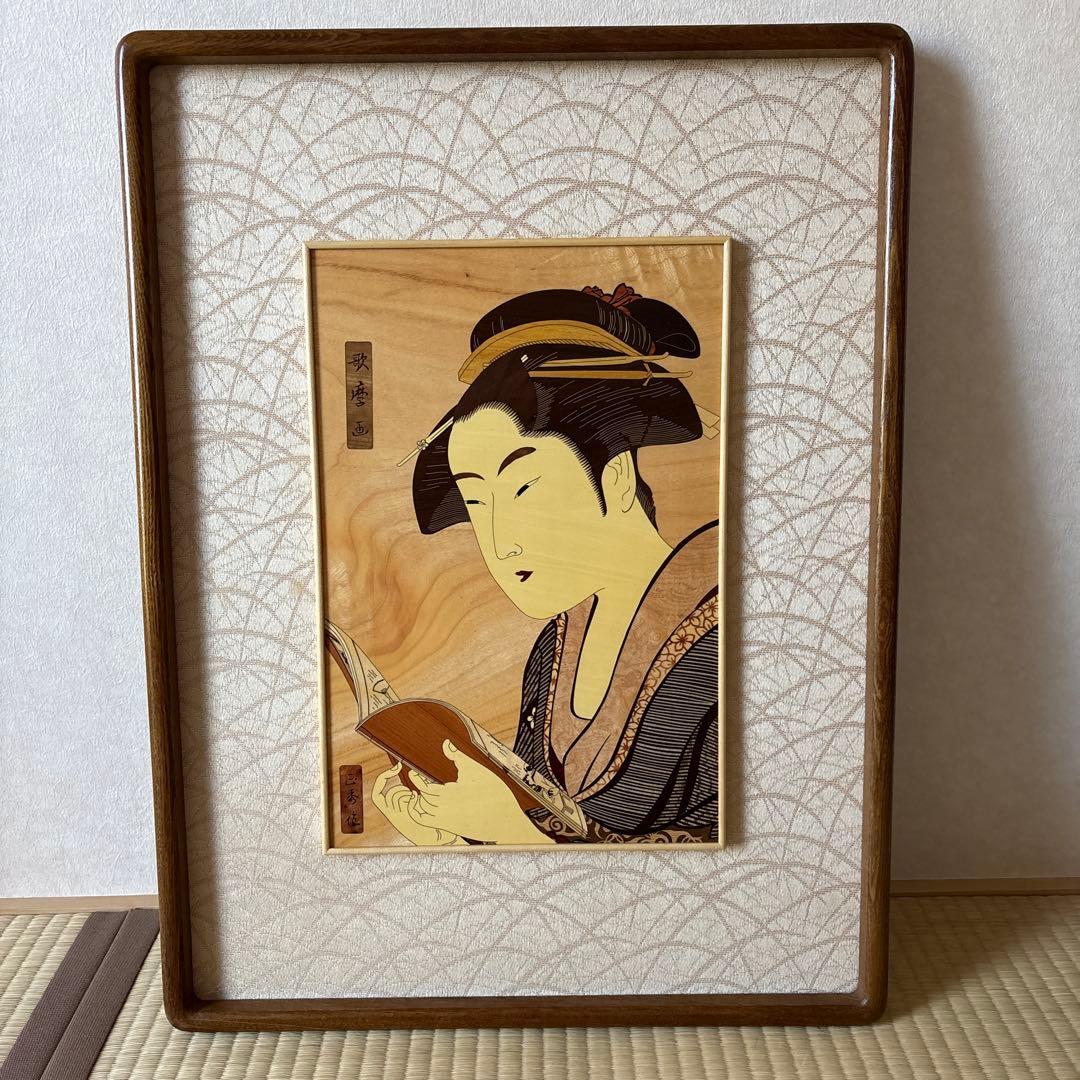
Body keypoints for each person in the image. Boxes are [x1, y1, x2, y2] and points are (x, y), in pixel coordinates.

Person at [372, 283, 720, 845]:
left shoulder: (723, 636)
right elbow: (542, 823)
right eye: (477, 504)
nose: (499, 543)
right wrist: (456, 833)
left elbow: (725, 847)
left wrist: (513, 834)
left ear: (616, 476)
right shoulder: (554, 650)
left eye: (524, 488)